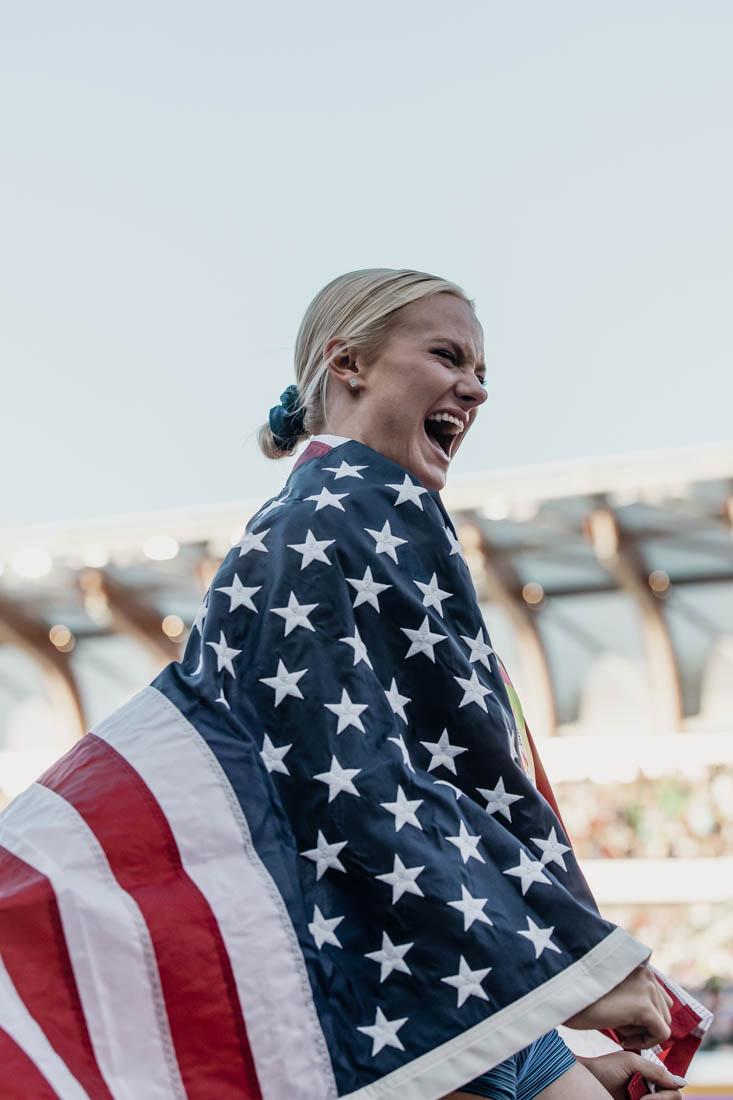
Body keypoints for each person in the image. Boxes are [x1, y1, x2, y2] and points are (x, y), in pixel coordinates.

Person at [0, 268, 706, 1099]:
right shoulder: (312, 526)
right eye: (448, 356)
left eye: (481, 374)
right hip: (390, 1005)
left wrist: (552, 1049)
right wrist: (571, 963)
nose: (472, 390)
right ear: (349, 362)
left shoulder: (379, 524)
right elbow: (348, 789)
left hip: (447, 1005)